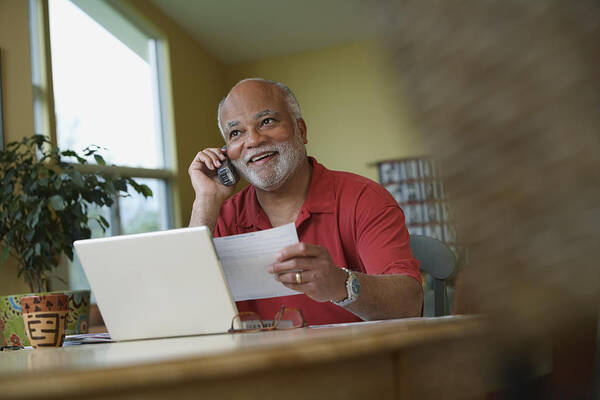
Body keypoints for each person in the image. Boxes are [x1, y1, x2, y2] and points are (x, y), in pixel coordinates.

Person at [188, 78, 422, 325]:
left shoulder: (363, 198)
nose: (253, 140)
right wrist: (205, 201)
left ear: (301, 130)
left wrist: (338, 283)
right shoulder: (221, 215)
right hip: (255, 362)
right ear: (227, 151)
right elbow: (188, 309)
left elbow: (409, 304)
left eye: (266, 122)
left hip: (351, 360)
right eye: (236, 133)